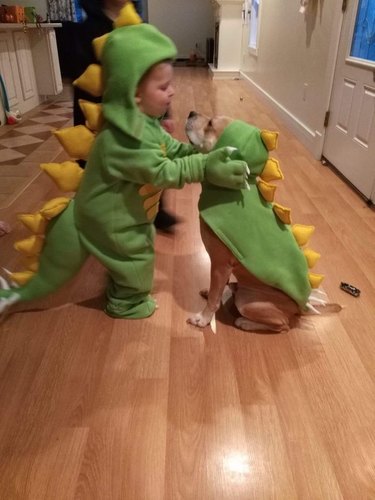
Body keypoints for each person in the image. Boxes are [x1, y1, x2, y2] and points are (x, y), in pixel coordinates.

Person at [0, 4, 249, 319]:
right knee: (137, 259)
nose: (173, 92)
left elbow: (170, 150)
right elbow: (162, 171)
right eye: (163, 87)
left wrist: (200, 153)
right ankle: (125, 301)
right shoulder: (120, 139)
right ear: (134, 96)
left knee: (139, 243)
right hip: (105, 218)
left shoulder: (142, 123)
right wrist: (206, 167)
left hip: (118, 211)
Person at [71, 0, 178, 232]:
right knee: (103, 167)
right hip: (103, 112)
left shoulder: (137, 23)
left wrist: (165, 114)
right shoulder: (88, 30)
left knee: (151, 154)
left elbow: (156, 73)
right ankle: (94, 213)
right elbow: (84, 81)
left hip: (141, 112)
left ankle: (155, 207)